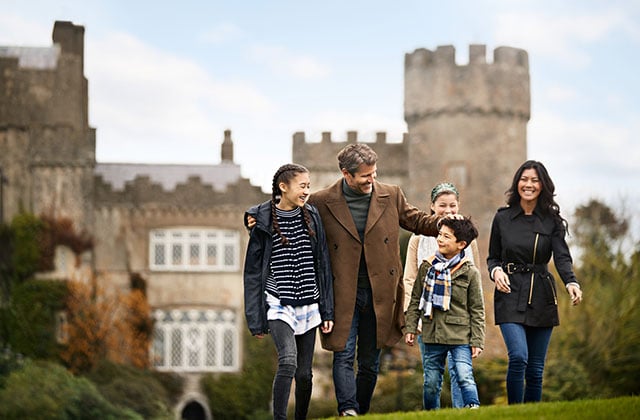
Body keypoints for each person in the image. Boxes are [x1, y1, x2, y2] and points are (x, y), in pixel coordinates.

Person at [246, 144, 443, 416]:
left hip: (380, 293)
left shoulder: (391, 194)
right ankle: (347, 410)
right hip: (343, 292)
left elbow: (417, 220)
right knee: (343, 354)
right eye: (365, 176)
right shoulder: (322, 201)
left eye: (374, 174)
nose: (371, 180)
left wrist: (444, 223)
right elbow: (285, 205)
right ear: (346, 174)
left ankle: (359, 410)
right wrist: (255, 216)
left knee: (370, 364)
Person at [243, 163, 334, 420]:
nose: (307, 191)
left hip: (309, 303)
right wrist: (256, 319)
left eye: (308, 186)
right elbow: (252, 273)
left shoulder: (313, 216)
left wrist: (327, 310)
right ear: (283, 187)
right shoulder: (262, 218)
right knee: (288, 361)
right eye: (302, 186)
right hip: (279, 303)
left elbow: (323, 264)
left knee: (304, 374)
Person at [487, 160, 583, 404]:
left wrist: (571, 282)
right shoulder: (502, 218)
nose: (528, 185)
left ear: (542, 186)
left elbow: (561, 257)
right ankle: (514, 412)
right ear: (517, 182)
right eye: (524, 179)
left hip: (541, 294)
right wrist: (496, 271)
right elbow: (493, 257)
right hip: (509, 293)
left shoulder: (552, 222)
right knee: (518, 357)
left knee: (536, 370)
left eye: (534, 180)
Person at [402, 182, 480, 408]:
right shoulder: (418, 239)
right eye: (442, 205)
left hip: (459, 319)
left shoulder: (467, 240)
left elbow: (472, 279)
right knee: (432, 375)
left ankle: (461, 410)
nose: (448, 210)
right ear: (432, 207)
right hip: (429, 319)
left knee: (460, 372)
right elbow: (410, 280)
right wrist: (411, 317)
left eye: (453, 205)